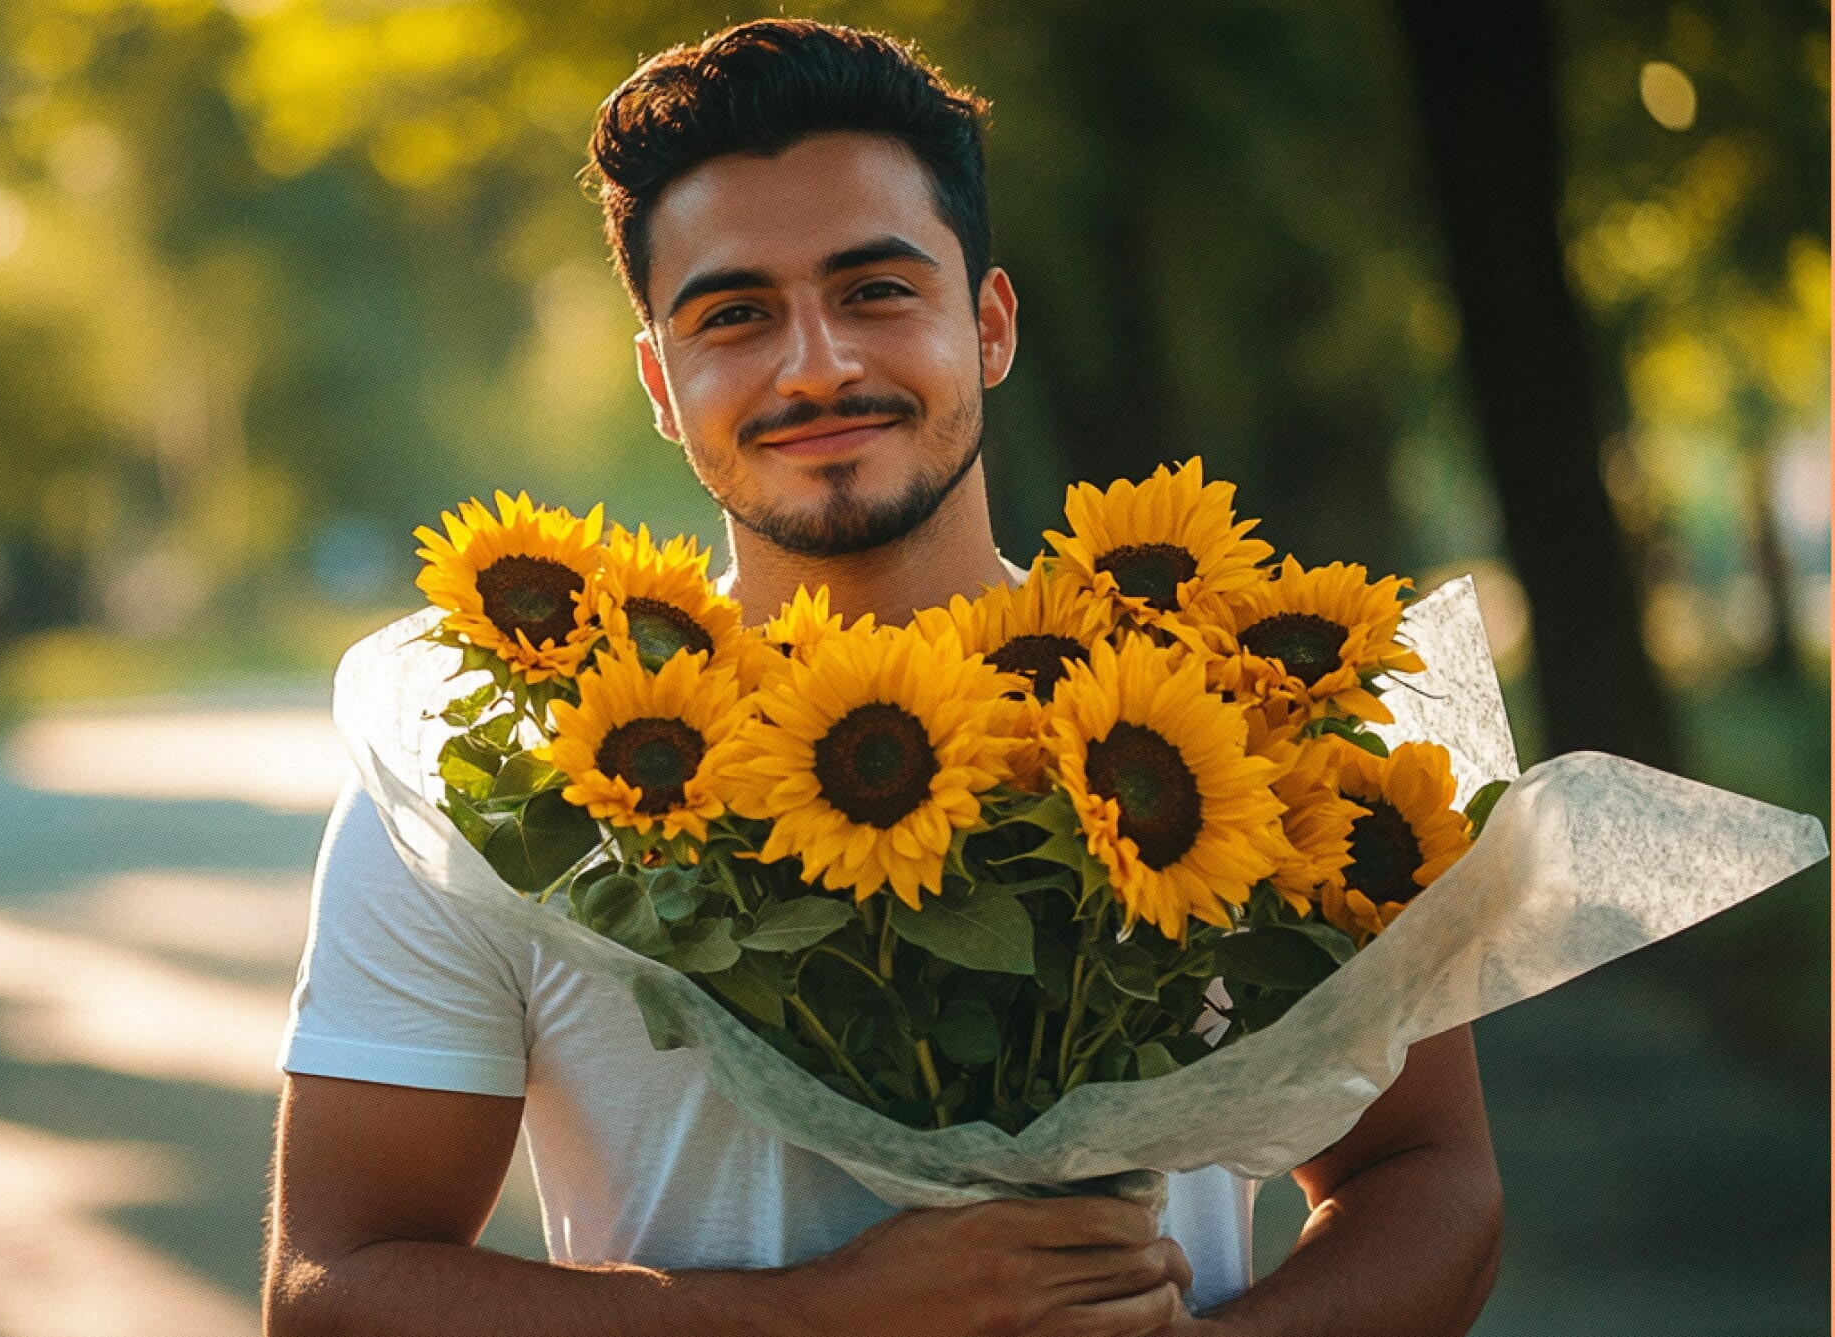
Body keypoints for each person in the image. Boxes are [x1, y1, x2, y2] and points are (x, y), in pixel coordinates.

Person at [264, 18, 1502, 1337]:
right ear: (659, 385)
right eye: (735, 315)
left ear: (989, 324)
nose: (817, 366)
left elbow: (1425, 1174)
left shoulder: (1238, 714)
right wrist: (815, 1317)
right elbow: (332, 1287)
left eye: (875, 290)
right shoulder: (505, 784)